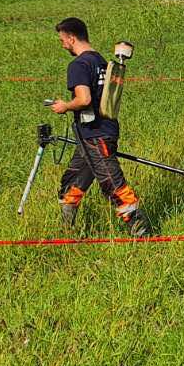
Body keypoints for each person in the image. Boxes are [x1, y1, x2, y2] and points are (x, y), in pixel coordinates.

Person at [48, 17, 151, 236]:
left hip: (96, 136)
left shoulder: (78, 64)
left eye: (62, 40)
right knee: (72, 182)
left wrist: (65, 106)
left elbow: (84, 99)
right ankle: (66, 232)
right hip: (97, 133)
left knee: (113, 184)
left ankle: (144, 234)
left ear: (72, 38)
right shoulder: (101, 62)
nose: (62, 44)